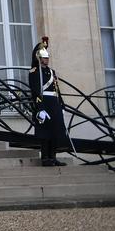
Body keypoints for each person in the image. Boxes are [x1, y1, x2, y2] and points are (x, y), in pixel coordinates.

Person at [31, 37, 69, 167]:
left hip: (54, 103)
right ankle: (45, 158)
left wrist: (62, 105)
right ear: (39, 58)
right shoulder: (35, 72)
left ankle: (53, 157)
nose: (47, 60)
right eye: (44, 57)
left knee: (56, 131)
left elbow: (57, 89)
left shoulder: (52, 72)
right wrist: (40, 108)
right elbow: (36, 91)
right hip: (44, 102)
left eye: (47, 57)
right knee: (45, 132)